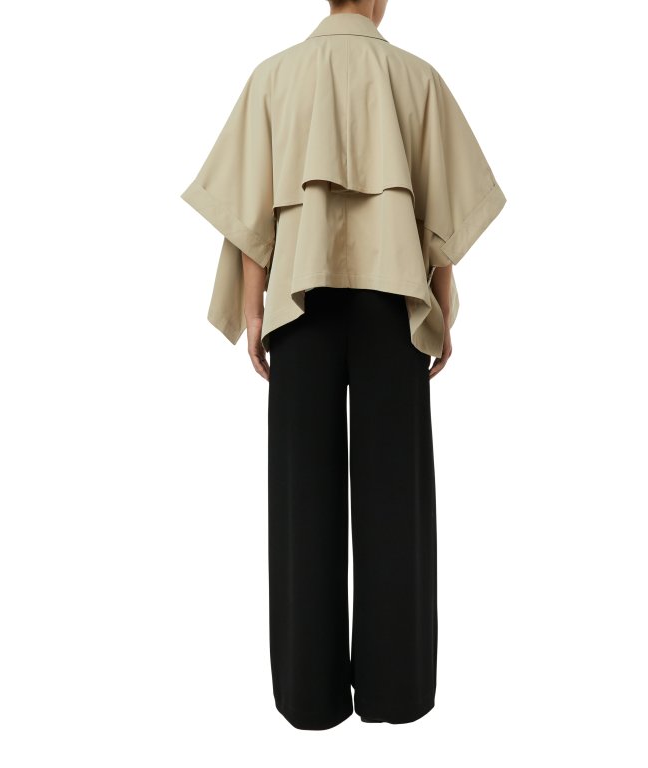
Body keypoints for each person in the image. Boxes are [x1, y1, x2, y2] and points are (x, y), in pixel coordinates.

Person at [181, 0, 505, 729]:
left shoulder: (274, 77)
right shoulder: (416, 78)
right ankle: (397, 691)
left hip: (301, 302)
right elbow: (443, 217)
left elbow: (250, 218)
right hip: (393, 303)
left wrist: (255, 313)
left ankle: (309, 695)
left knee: (303, 499)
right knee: (399, 497)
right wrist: (439, 309)